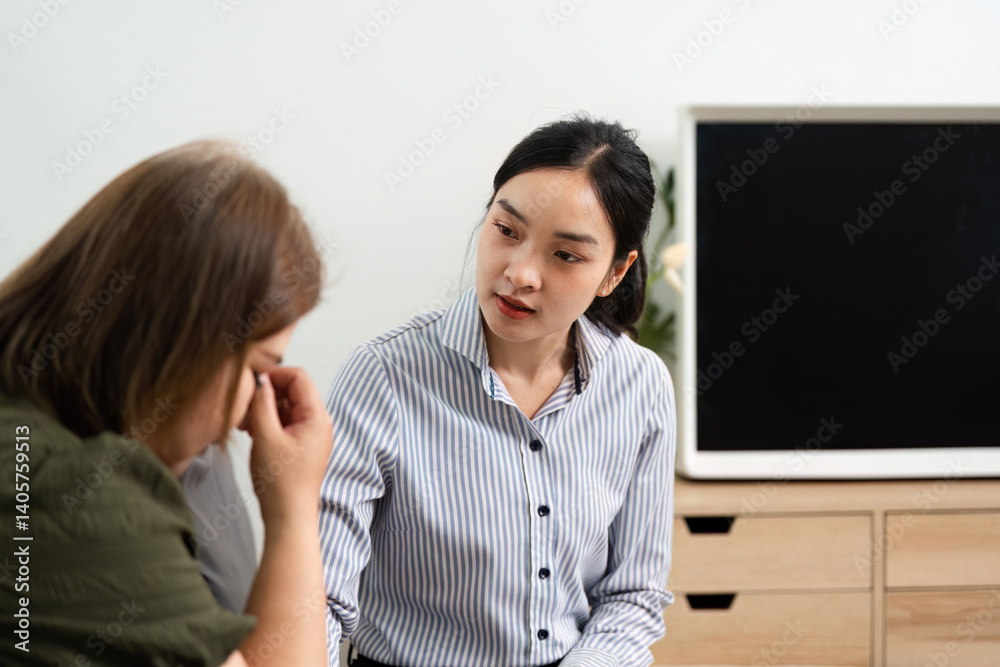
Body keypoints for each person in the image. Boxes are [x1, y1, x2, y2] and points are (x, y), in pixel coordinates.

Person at [319, 115, 676, 667]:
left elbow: (633, 595)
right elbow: (321, 596)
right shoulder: (383, 376)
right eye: (507, 230)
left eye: (566, 255)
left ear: (615, 271)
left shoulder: (641, 386)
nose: (521, 273)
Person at [0, 141, 332, 666]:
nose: (251, 412)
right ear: (186, 339)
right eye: (257, 370)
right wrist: (294, 506)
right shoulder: (78, 498)